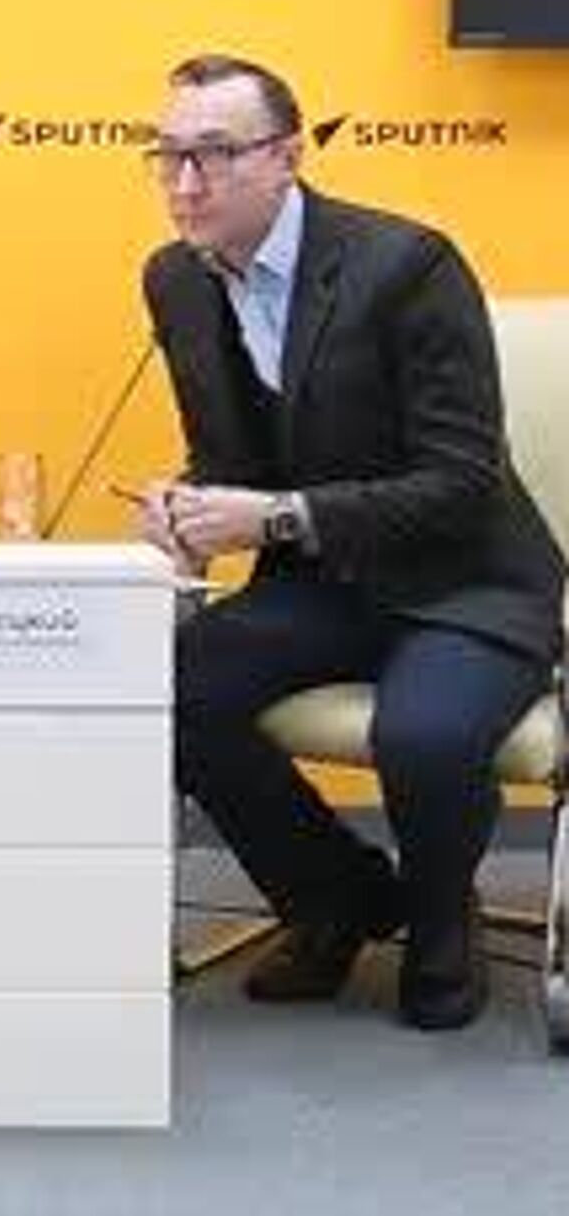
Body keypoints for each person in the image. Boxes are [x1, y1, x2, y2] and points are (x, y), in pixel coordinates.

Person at [135, 55, 563, 1031]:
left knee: (424, 734)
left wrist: (277, 518)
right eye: (168, 157)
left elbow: (460, 481)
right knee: (163, 689)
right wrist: (189, 508)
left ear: (288, 156)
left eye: (215, 155)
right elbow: (232, 453)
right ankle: (338, 900)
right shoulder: (176, 280)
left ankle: (441, 918)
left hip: (467, 582)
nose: (185, 184)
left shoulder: (407, 267)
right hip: (327, 583)